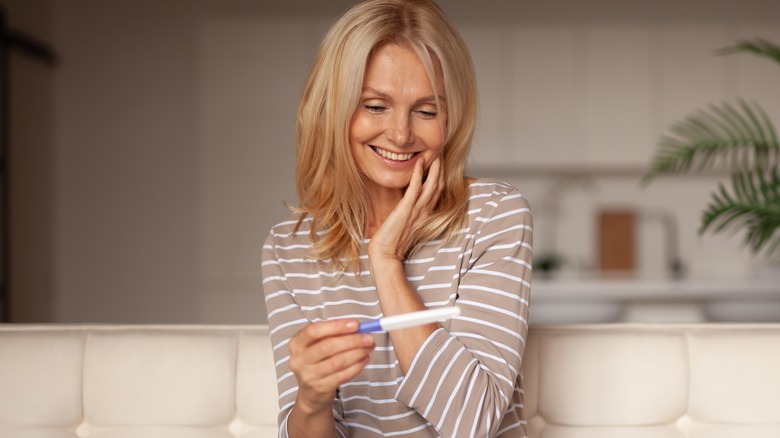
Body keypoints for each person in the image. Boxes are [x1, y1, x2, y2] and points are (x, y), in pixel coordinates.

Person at [261, 0, 532, 436]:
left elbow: (472, 422)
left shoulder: (493, 215)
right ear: (334, 110)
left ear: (452, 118)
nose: (401, 134)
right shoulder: (289, 248)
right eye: (374, 106)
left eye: (426, 112)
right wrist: (311, 400)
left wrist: (385, 261)